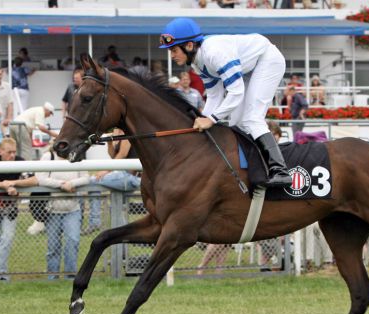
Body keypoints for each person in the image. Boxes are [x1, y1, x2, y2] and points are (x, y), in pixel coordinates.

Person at [160, 17, 292, 187]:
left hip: (267, 60)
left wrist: (211, 119)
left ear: (189, 45)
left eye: (173, 50)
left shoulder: (214, 53)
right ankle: (250, 168)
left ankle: (280, 171)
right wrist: (200, 120)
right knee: (235, 123)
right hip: (249, 67)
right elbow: (215, 96)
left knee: (251, 119)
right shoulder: (198, 63)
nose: (171, 56)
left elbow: (236, 92)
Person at [0, 138, 38, 280]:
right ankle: (1, 275)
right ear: (1, 151)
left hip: (10, 207)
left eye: (14, 152)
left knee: (7, 238)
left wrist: (14, 183)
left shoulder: (20, 161)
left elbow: (33, 180)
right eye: (9, 152)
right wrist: (4, 185)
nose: (12, 155)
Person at [36, 150, 90, 279]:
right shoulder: (48, 156)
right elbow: (40, 178)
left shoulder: (77, 156)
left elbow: (86, 177)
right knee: (53, 246)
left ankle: (70, 276)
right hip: (52, 210)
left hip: (73, 209)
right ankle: (52, 276)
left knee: (73, 241)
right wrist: (61, 185)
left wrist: (72, 184)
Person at [82, 128, 141, 235]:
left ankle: (95, 221)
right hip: (124, 176)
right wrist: (109, 143)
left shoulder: (127, 131)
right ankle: (124, 242)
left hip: (129, 176)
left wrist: (106, 171)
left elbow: (122, 154)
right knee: (115, 210)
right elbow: (113, 156)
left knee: (93, 181)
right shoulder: (117, 132)